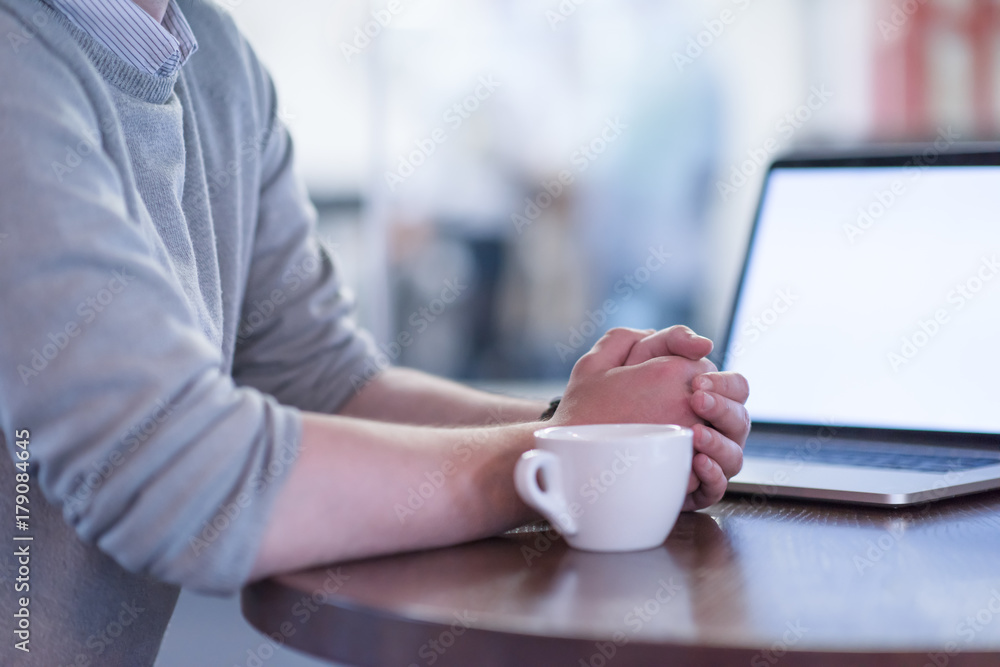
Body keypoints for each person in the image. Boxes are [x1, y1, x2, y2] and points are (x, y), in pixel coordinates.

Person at [0, 0, 749, 663]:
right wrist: (562, 455)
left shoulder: (212, 57)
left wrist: (602, 427)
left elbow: (323, 384)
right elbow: (178, 473)